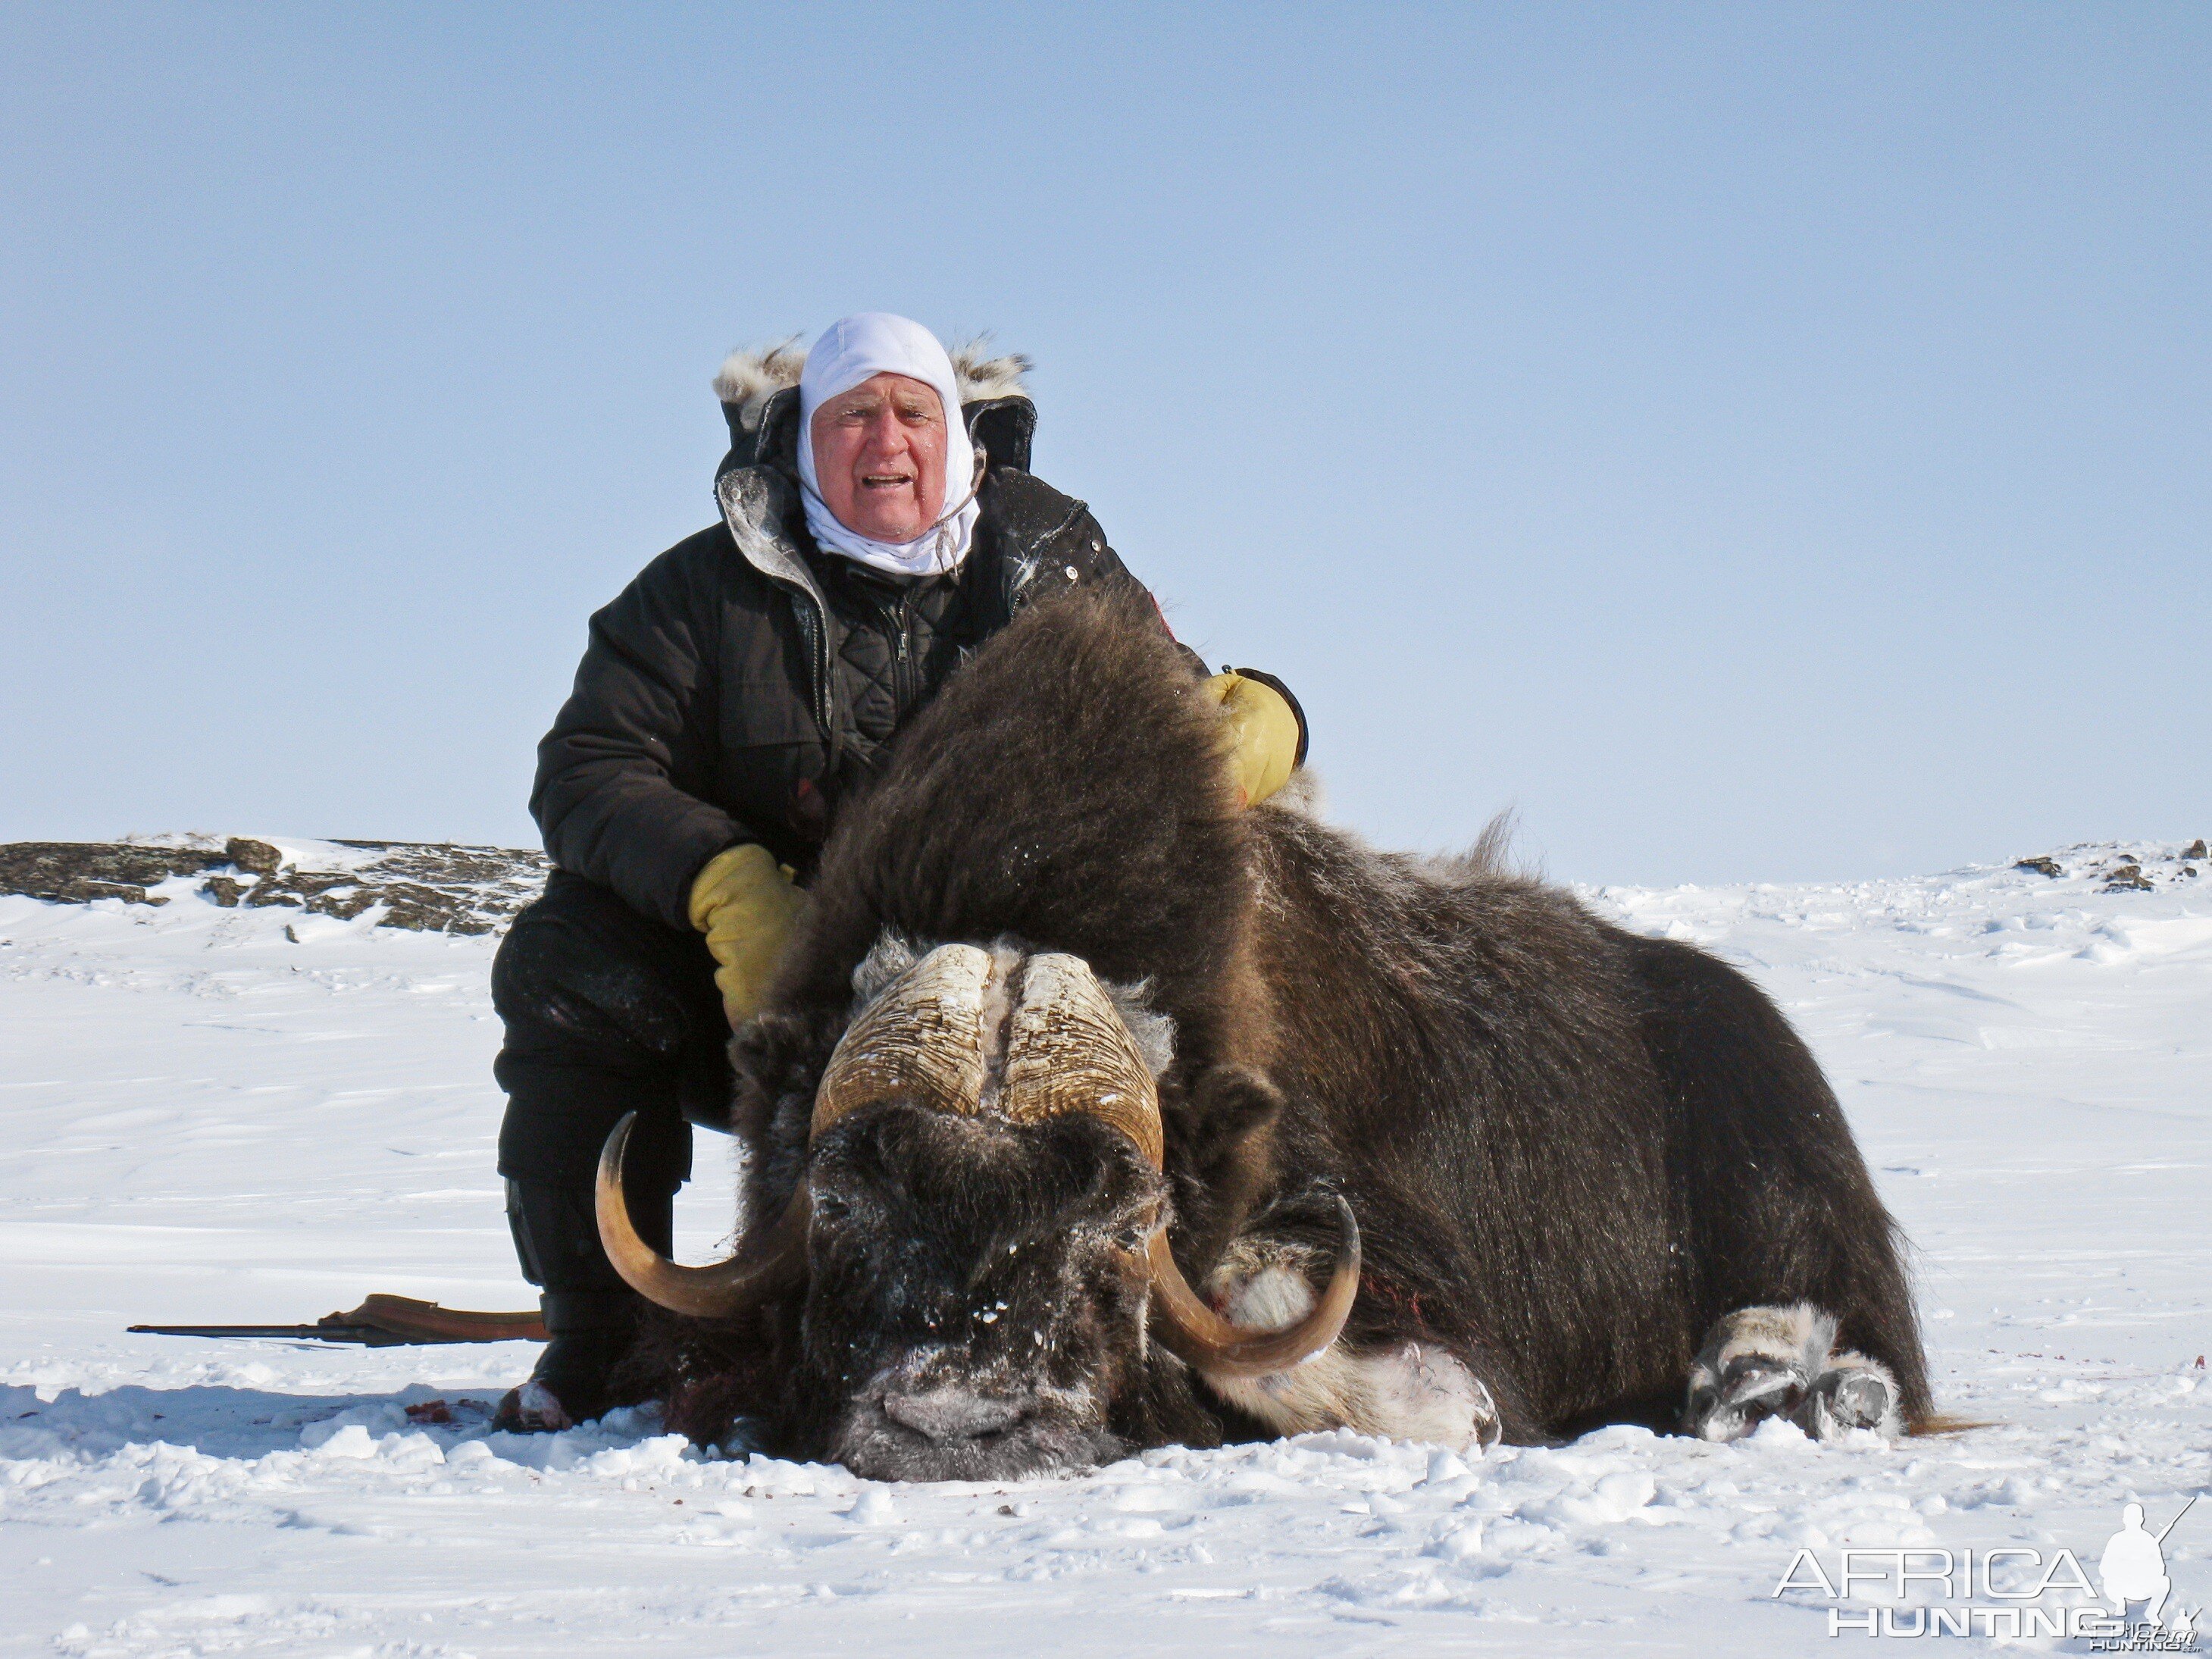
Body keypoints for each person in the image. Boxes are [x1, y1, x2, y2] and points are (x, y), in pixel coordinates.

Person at [490, 314, 1307, 1430]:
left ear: (958, 437)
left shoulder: (1048, 554)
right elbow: (586, 766)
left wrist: (1261, 720)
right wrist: (731, 887)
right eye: (854, 414)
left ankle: (1131, 1308)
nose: (889, 438)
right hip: (776, 1003)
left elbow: (1167, 705)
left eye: (915, 411)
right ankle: (591, 1332)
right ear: (801, 445)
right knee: (571, 964)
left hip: (1017, 1024)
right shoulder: (699, 592)